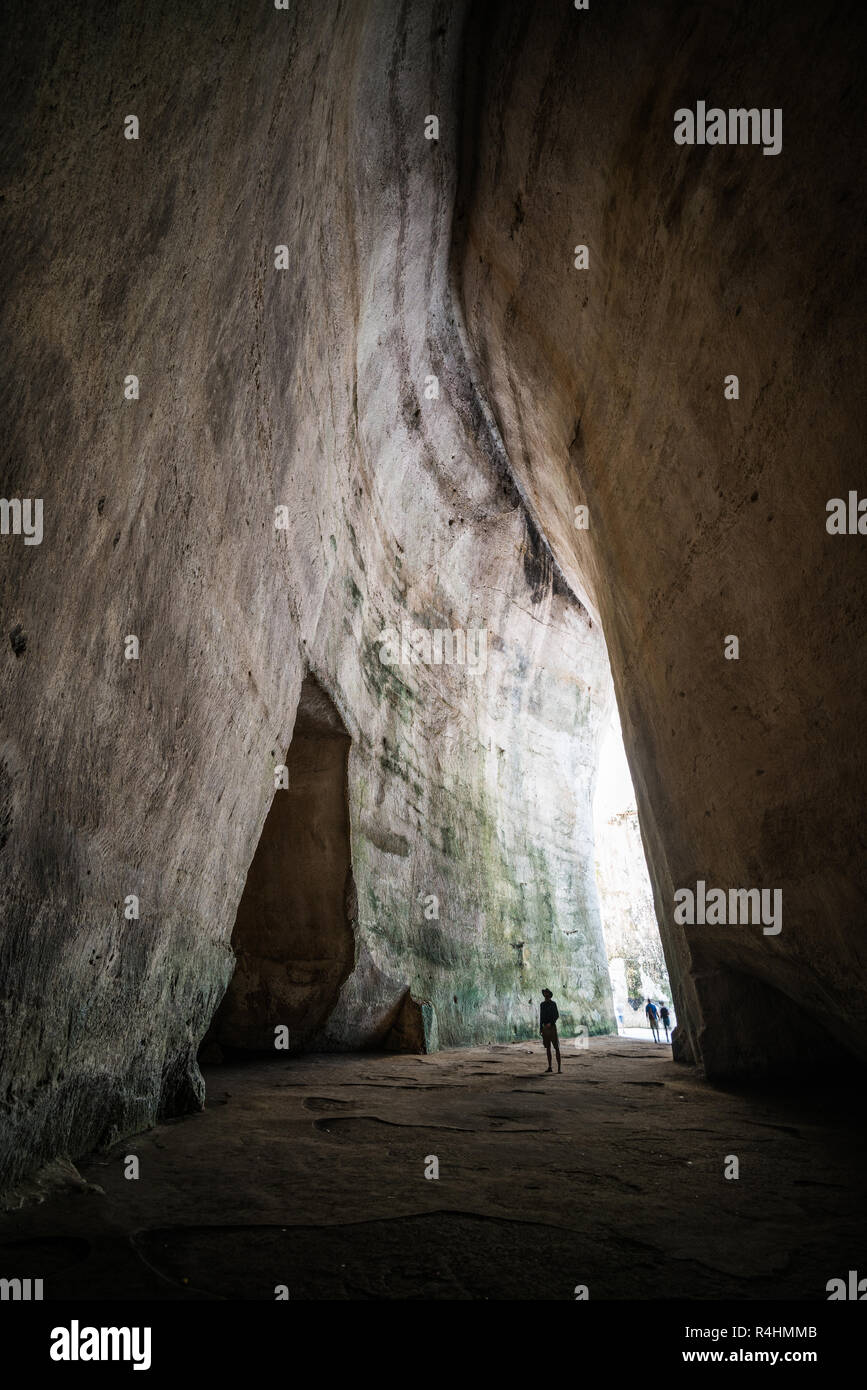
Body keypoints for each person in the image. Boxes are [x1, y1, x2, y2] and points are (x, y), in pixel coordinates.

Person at [540, 989, 561, 1073]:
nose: (545, 994)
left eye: (546, 993)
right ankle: (550, 1067)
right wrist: (541, 1028)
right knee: (548, 1047)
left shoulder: (553, 1004)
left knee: (556, 1047)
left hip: (552, 1027)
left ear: (549, 994)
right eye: (544, 993)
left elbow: (556, 1015)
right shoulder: (542, 1004)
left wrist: (551, 1023)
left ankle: (559, 1068)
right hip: (545, 1027)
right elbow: (541, 1017)